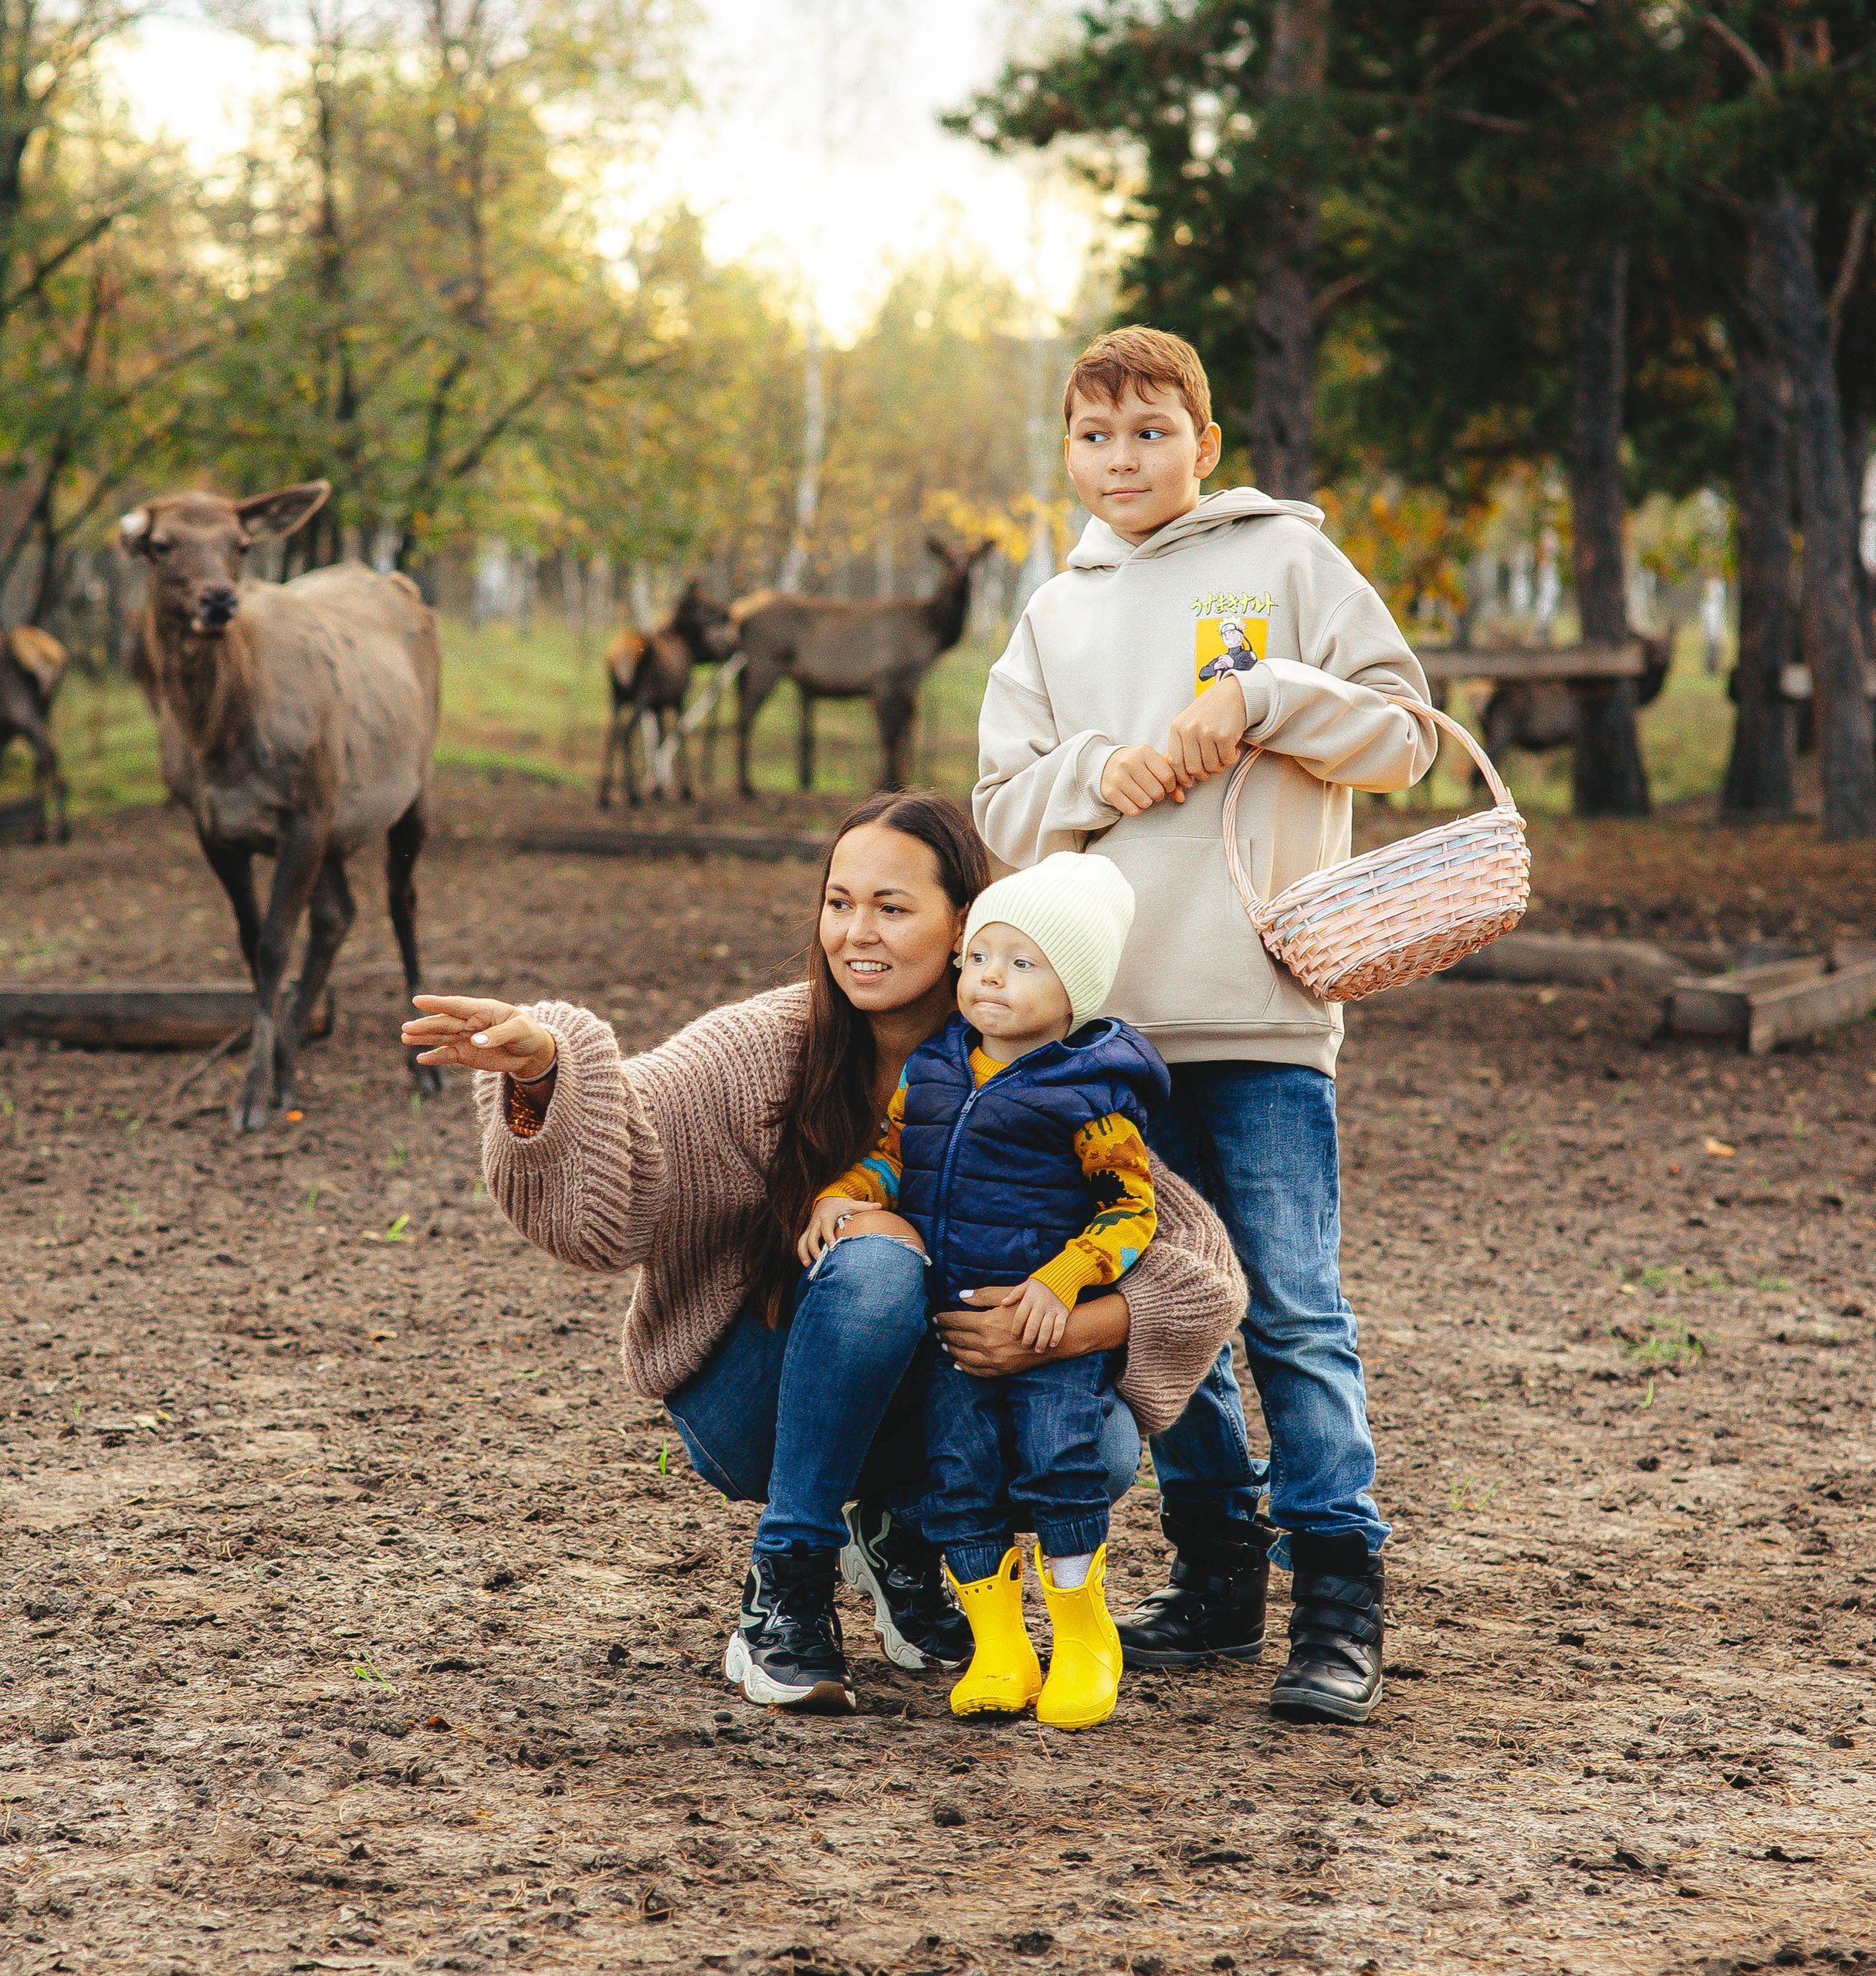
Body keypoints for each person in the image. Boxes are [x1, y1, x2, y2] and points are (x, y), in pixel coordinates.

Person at [401, 790, 1247, 1717]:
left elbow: (1196, 1261)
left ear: (966, 924)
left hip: (942, 1390)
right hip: (752, 1400)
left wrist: (1066, 1324)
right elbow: (621, 1171)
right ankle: (788, 1580)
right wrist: (546, 1070)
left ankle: (903, 1540)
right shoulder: (766, 1044)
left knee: (1099, 1437)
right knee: (882, 1256)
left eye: (891, 906)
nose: (856, 932)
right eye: (838, 902)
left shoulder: (1027, 1062)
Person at [974, 325, 1438, 1725]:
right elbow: (998, 804)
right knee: (1170, 1314)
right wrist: (1096, 769)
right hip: (1109, 1038)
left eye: (1151, 432)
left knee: (1293, 1309)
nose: (1122, 460)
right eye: (1095, 437)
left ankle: (1338, 1604)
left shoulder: (1288, 563)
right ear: (1070, 451)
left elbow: (1407, 733)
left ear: (1204, 443)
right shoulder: (1055, 612)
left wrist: (1261, 698)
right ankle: (1222, 1578)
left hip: (1264, 1018)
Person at [802, 852, 1165, 1731]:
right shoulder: (934, 1069)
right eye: (980, 958)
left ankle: (1083, 1635)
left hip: (1043, 1329)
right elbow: (898, 1155)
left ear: (1071, 989)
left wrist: (1061, 1284)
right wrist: (846, 1190)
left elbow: (1130, 1211)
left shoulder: (1091, 1093)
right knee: (959, 1474)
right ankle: (998, 1640)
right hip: (950, 1332)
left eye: (1022, 962)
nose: (990, 978)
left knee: (1060, 1463)